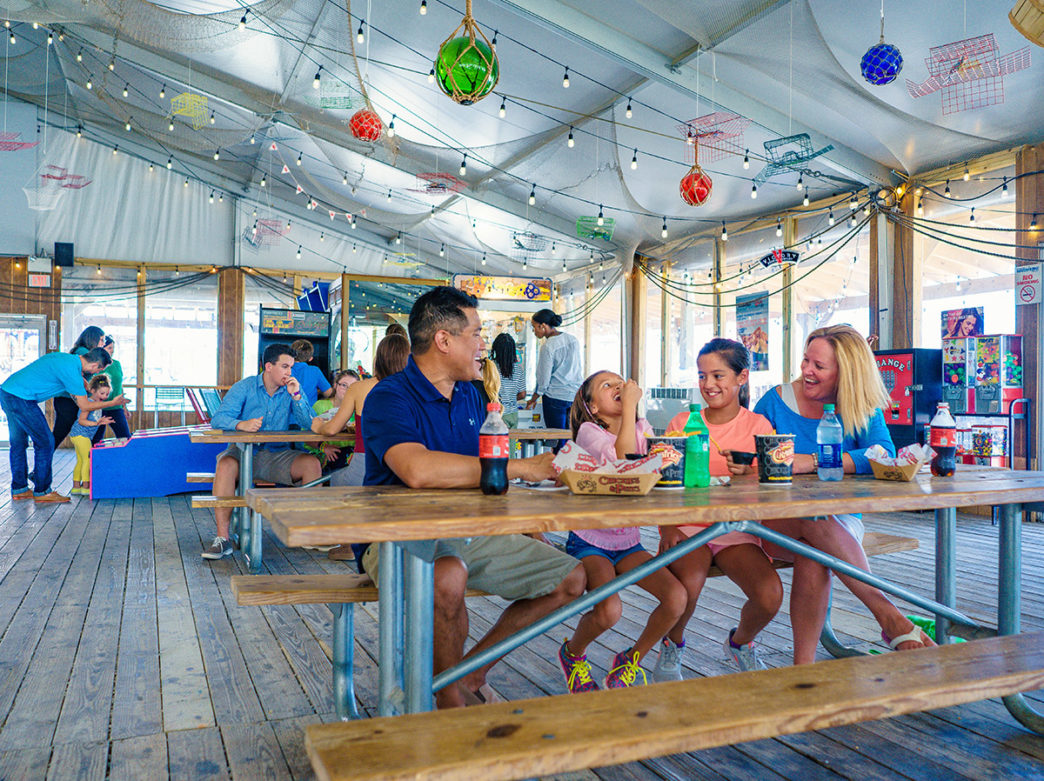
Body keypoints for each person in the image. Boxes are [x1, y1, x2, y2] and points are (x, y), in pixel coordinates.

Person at [361, 286, 585, 708]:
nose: (484, 345)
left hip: (470, 530)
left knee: (571, 578)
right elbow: (418, 470)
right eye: (477, 334)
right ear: (443, 340)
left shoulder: (472, 395)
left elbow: (486, 480)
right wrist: (520, 467)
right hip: (395, 538)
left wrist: (529, 528)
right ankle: (450, 703)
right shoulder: (389, 397)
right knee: (449, 573)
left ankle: (470, 673)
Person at [752, 324, 935, 662]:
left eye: (819, 366)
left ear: (845, 373)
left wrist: (811, 461)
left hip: (839, 525)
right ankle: (889, 617)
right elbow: (749, 455)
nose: (806, 370)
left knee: (813, 551)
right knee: (812, 519)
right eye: (806, 360)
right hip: (775, 522)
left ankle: (803, 670)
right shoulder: (775, 402)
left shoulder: (859, 404)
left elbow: (882, 452)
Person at [557, 371, 686, 693]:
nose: (618, 387)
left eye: (620, 382)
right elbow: (624, 460)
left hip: (628, 542)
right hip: (589, 540)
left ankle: (631, 659)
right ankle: (572, 653)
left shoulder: (642, 428)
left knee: (676, 598)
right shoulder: (589, 432)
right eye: (607, 386)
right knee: (609, 611)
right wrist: (630, 408)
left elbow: (655, 467)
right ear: (592, 408)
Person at [662, 339, 783, 676]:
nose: (708, 384)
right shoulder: (682, 422)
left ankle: (741, 642)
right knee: (688, 587)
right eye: (702, 376)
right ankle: (672, 644)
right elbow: (663, 481)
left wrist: (749, 473)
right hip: (688, 526)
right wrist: (667, 526)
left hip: (736, 529)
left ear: (742, 377)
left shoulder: (758, 427)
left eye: (718, 376)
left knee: (769, 595)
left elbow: (771, 483)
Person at [202, 343, 320, 560]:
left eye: (291, 367)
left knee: (312, 464)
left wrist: (297, 397)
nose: (289, 372)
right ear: (268, 366)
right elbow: (218, 419)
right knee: (225, 464)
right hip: (242, 453)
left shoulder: (293, 388)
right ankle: (222, 539)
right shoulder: (244, 387)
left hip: (277, 455)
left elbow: (309, 423)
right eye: (285, 366)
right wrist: (241, 424)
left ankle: (309, 533)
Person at [313, 336, 408, 561]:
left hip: (367, 462)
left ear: (377, 359)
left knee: (338, 481)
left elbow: (331, 429)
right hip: (405, 464)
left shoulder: (359, 388)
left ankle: (349, 545)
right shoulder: (414, 388)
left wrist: (317, 425)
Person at [1, 346, 122, 503]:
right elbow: (85, 406)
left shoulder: (69, 361)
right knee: (45, 442)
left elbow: (81, 381)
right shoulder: (72, 372)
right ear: (94, 366)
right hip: (21, 398)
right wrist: (112, 403)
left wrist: (87, 386)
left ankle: (20, 489)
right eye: (99, 370)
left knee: (19, 443)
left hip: (7, 391)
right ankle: (42, 491)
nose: (96, 373)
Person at [525, 309, 582, 432]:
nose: (534, 331)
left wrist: (533, 399)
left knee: (555, 437)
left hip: (555, 398)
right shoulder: (573, 339)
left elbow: (543, 379)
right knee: (571, 437)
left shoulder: (548, 346)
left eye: (534, 327)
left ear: (543, 326)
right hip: (574, 397)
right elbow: (577, 369)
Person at [52, 326, 106, 448]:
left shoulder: (84, 351)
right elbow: (77, 374)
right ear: (93, 339)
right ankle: (44, 455)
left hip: (71, 399)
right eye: (101, 340)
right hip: (68, 399)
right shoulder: (83, 352)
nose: (103, 343)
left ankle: (92, 455)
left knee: (95, 426)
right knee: (60, 432)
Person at [307, 369, 359, 471]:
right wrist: (324, 447)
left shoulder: (358, 409)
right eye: (344, 385)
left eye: (352, 387)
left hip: (351, 455)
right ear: (335, 385)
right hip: (324, 452)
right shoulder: (320, 406)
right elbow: (306, 436)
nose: (348, 390)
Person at [70, 375, 114, 496]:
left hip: (80, 435)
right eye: (102, 393)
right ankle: (86, 487)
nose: (104, 397)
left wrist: (100, 421)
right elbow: (81, 421)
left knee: (80, 461)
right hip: (81, 434)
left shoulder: (97, 404)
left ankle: (76, 487)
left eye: (107, 394)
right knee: (87, 460)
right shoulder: (88, 403)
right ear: (93, 391)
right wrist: (96, 423)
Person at [92, 336, 132, 444]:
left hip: (116, 407)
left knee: (125, 438)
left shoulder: (117, 364)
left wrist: (124, 407)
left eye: (113, 348)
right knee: (96, 440)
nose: (112, 351)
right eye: (109, 348)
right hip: (99, 407)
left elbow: (119, 386)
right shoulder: (96, 365)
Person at [491, 332, 525, 428]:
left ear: (496, 349)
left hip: (498, 413)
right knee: (513, 438)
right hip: (513, 414)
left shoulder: (491, 367)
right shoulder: (518, 369)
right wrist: (510, 399)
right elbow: (522, 394)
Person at [289, 339, 332, 406]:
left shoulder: (285, 370)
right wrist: (319, 392)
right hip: (309, 411)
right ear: (310, 359)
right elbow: (328, 393)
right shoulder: (315, 371)